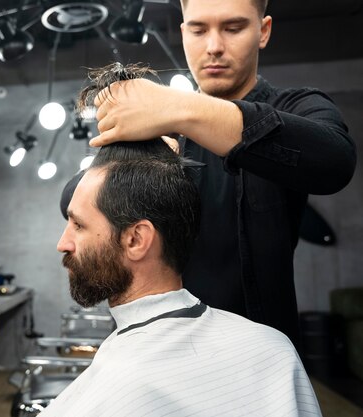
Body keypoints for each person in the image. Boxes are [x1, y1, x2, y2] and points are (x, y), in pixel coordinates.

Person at [86, 0, 357, 346]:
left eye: (233, 28)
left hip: (260, 356)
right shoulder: (157, 132)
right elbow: (76, 201)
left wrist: (178, 108)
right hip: (158, 351)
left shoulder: (298, 107)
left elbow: (335, 161)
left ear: (263, 31)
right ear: (183, 34)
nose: (213, 47)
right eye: (198, 30)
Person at [43, 139, 320, 417]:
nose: (62, 243)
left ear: (136, 239)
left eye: (78, 225)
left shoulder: (118, 386)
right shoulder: (273, 349)